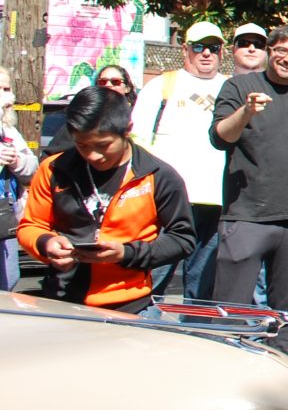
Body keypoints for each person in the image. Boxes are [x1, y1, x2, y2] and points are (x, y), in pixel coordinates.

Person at [15, 86, 196, 313]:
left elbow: (183, 239)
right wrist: (46, 244)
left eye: (103, 145)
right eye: (82, 145)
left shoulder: (157, 176)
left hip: (130, 307)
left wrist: (126, 253)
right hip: (59, 302)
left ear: (127, 130)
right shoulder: (53, 169)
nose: (93, 155)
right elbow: (31, 225)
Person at [208, 25, 288, 355]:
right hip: (246, 215)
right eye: (282, 51)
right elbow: (220, 138)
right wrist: (245, 112)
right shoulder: (239, 86)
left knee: (285, 311)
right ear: (269, 51)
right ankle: (227, 368)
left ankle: (281, 368)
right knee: (231, 309)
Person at [128, 19, 228, 297]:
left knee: (202, 286)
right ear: (185, 50)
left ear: (222, 52)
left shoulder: (232, 87)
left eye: (213, 47)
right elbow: (136, 143)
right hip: (168, 201)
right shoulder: (162, 85)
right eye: (199, 47)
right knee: (153, 276)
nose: (206, 53)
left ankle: (194, 334)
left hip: (215, 200)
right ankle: (144, 330)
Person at [0, 68, 38, 290]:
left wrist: (16, 161)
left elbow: (32, 168)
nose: (8, 97)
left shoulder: (9, 129)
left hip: (5, 218)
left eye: (8, 88)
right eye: (1, 90)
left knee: (8, 281)